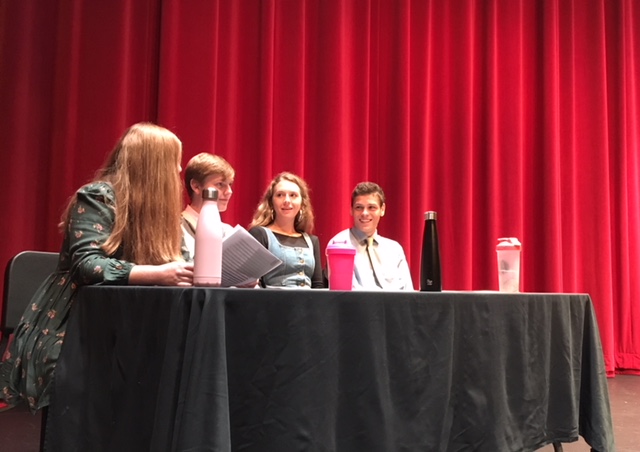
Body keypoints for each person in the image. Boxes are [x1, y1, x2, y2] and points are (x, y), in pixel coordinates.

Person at [0, 122, 194, 413]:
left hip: (136, 323)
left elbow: (177, 260)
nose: (178, 170)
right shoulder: (98, 196)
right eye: (174, 162)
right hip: (79, 324)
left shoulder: (164, 215)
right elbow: (87, 266)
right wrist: (157, 273)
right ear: (153, 165)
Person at [327, 182, 413, 290]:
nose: (365, 213)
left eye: (372, 207)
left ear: (382, 210)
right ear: (351, 210)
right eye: (359, 207)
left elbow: (408, 292)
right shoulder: (339, 244)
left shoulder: (395, 249)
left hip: (394, 306)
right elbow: (344, 296)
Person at [248, 172, 324, 288]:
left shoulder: (312, 241)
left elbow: (317, 285)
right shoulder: (260, 234)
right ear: (271, 202)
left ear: (302, 203)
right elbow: (256, 284)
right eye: (280, 195)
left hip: (308, 305)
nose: (287, 200)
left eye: (293, 195)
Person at [181, 152, 235, 260]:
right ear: (196, 186)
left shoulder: (229, 231)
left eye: (230, 184)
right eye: (220, 184)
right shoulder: (176, 228)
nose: (229, 191)